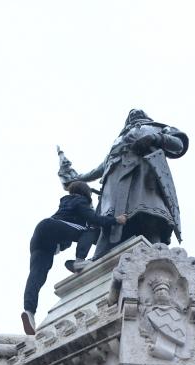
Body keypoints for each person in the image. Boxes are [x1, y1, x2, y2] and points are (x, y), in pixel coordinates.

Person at [69, 109, 188, 260]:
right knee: (110, 221)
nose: (135, 113)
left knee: (149, 213)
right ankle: (97, 259)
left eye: (139, 112)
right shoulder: (118, 141)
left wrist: (155, 138)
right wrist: (76, 178)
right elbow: (100, 168)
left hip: (144, 176)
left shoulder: (158, 127)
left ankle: (157, 255)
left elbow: (178, 145)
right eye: (131, 113)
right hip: (115, 186)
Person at [22, 181, 127, 335]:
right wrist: (116, 220)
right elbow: (95, 220)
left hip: (40, 237)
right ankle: (79, 261)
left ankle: (29, 311)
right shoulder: (80, 200)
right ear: (86, 193)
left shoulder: (67, 202)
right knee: (90, 227)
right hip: (52, 228)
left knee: (37, 275)